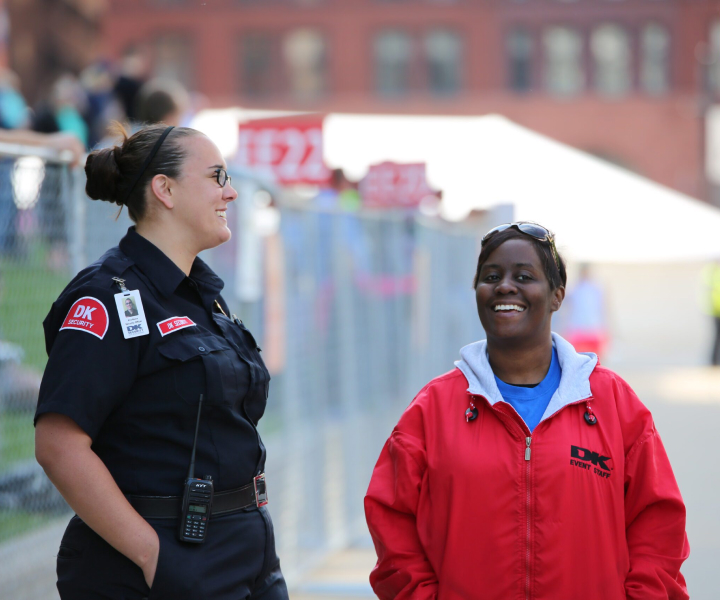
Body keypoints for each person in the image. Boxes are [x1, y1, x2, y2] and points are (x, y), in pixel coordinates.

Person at [365, 222, 689, 600]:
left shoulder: (613, 403)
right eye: (491, 276)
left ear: (557, 296)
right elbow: (391, 517)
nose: (505, 286)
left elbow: (659, 522)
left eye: (523, 276)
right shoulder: (433, 408)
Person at [34, 123, 289, 600]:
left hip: (246, 550)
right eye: (217, 176)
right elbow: (59, 446)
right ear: (164, 189)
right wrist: (155, 558)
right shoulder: (107, 298)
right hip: (161, 558)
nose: (231, 192)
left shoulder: (203, 297)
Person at [562, 263, 608, 359]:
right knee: (577, 355)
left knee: (597, 357)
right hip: (577, 327)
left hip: (593, 327)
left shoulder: (596, 288)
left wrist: (605, 327)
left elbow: (602, 308)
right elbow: (567, 308)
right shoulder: (574, 288)